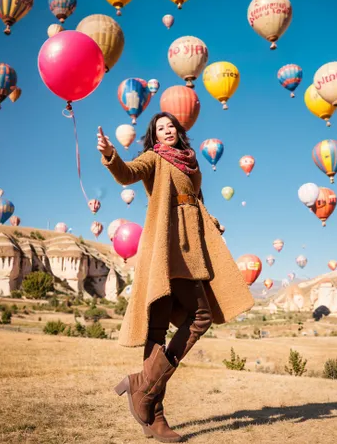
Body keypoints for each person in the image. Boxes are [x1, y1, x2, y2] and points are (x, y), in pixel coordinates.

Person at [97, 112, 254, 442]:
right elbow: (127, 173)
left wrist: (210, 221)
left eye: (171, 126)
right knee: (200, 316)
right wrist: (111, 155)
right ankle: (147, 392)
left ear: (179, 132)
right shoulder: (154, 158)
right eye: (160, 128)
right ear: (154, 136)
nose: (167, 131)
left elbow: (195, 201)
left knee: (160, 328)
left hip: (190, 246)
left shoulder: (190, 163)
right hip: (167, 248)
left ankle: (151, 410)